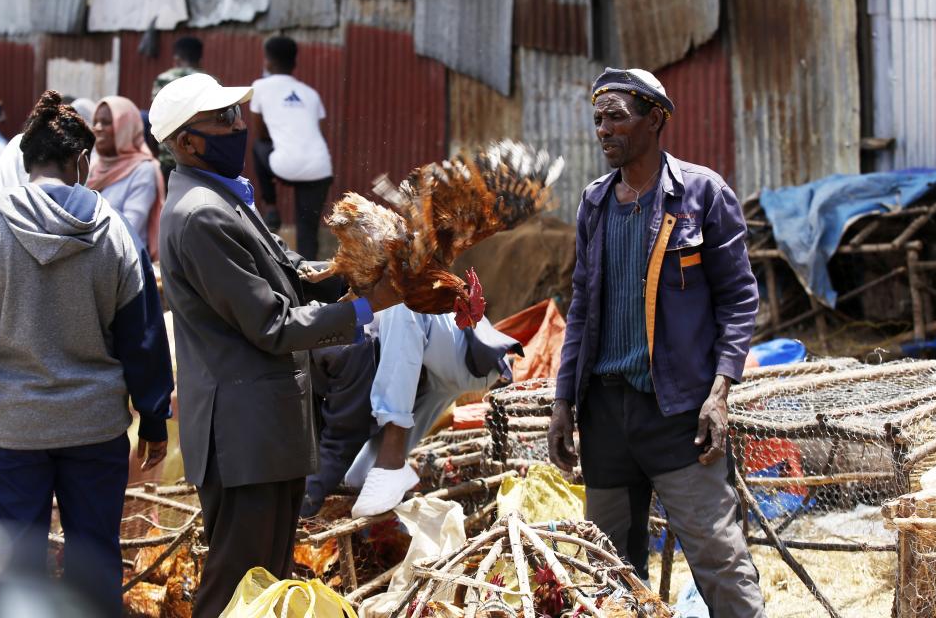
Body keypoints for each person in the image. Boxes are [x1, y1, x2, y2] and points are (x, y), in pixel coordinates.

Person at [153, 73, 400, 618]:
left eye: (238, 114)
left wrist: (359, 271)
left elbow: (291, 273)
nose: (239, 125)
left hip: (265, 432)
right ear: (186, 142)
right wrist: (365, 307)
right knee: (236, 584)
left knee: (265, 584)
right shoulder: (202, 214)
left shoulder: (224, 198)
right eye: (224, 118)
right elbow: (273, 324)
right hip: (244, 437)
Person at [0, 91, 173, 616]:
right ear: (81, 160)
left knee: (17, 569)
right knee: (95, 563)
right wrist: (154, 418)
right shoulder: (116, 232)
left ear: (25, 161)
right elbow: (143, 337)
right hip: (95, 428)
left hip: (9, 430)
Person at [546, 68, 764, 616]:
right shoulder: (595, 204)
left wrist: (720, 393)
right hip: (605, 418)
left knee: (719, 558)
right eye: (598, 118)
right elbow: (580, 309)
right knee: (608, 572)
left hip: (678, 416)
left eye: (616, 117)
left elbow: (739, 299)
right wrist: (563, 402)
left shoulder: (702, 194)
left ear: (656, 119)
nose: (603, 129)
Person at [303, 305, 521, 518]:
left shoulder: (347, 348)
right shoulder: (313, 354)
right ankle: (395, 506)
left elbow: (341, 440)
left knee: (403, 301)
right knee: (358, 478)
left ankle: (393, 460)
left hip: (468, 357)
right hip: (433, 371)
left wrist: (300, 508)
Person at [249, 36, 334, 259]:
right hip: (319, 169)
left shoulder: (259, 87)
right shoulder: (311, 94)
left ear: (267, 62)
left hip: (282, 166)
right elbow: (318, 132)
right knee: (307, 232)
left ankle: (271, 207)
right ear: (294, 63)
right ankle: (309, 277)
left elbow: (260, 133)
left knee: (258, 145)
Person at [88, 96, 164, 256]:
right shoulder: (93, 164)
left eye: (106, 122)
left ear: (125, 128)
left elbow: (130, 226)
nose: (98, 128)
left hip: (123, 260)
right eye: (95, 122)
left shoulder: (143, 169)